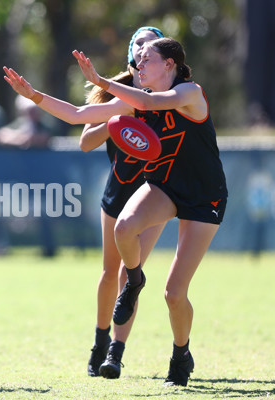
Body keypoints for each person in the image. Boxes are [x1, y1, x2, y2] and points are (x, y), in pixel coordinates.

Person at [4, 37, 227, 387]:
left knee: (174, 292)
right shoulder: (134, 103)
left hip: (204, 196)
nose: (138, 65)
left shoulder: (189, 93)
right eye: (136, 59)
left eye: (147, 59)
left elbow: (153, 102)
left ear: (169, 65)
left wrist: (102, 82)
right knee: (124, 226)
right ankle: (135, 280)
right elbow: (78, 116)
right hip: (165, 187)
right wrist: (32, 94)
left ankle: (181, 353)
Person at [81, 27, 166, 380]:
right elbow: (86, 141)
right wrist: (117, 121)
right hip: (119, 189)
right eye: (140, 48)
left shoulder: (168, 95)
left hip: (157, 193)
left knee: (129, 276)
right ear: (132, 55)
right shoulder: (115, 94)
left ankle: (115, 353)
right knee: (108, 272)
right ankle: (100, 341)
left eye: (152, 49)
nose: (145, 54)